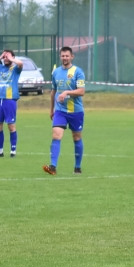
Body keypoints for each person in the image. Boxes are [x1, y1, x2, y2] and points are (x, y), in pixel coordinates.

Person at [43, 46, 86, 175]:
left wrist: (67, 92)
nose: (65, 58)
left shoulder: (78, 72)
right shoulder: (56, 72)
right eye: (62, 56)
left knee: (76, 137)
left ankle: (77, 167)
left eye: (67, 56)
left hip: (76, 111)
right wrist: (52, 109)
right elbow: (53, 92)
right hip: (60, 111)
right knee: (56, 135)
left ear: (72, 56)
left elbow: (82, 91)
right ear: (60, 56)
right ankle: (53, 167)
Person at [0, 50, 24, 158]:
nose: (6, 58)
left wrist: (11, 58)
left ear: (13, 57)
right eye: (5, 56)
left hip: (10, 99)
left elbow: (21, 64)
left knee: (11, 126)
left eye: (8, 56)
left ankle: (13, 150)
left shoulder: (15, 69)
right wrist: (0, 58)